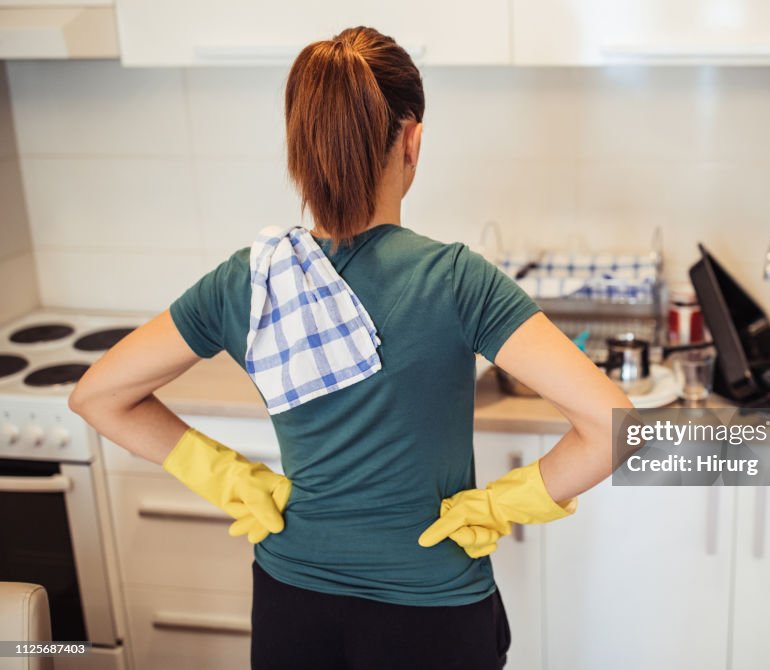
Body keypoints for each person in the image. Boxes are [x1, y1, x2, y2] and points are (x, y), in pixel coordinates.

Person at [69, 25, 631, 670]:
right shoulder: (454, 279)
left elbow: (99, 395)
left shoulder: (249, 279)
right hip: (433, 609)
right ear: (412, 140)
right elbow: (615, 428)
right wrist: (504, 503)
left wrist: (223, 476)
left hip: (292, 601)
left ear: (299, 148)